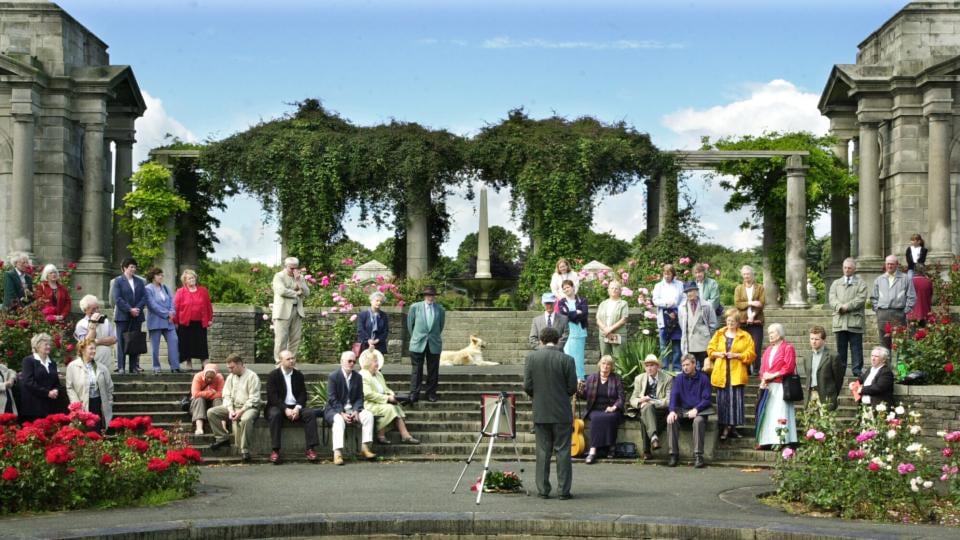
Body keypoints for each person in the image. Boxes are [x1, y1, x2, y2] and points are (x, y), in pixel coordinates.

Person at [523, 327, 577, 500]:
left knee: (543, 452)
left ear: (541, 339)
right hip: (562, 411)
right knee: (563, 451)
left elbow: (527, 386)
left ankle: (543, 489)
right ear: (558, 339)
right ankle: (563, 491)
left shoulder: (531, 358)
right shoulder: (567, 359)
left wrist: (537, 397)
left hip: (541, 410)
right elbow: (572, 388)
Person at [706, 308, 756, 442]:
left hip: (736, 373)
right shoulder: (719, 333)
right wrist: (718, 354)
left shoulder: (745, 336)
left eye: (733, 321)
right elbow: (710, 350)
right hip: (721, 372)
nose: (730, 323)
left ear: (738, 322)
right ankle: (724, 427)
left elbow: (751, 354)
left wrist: (737, 355)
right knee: (723, 401)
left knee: (736, 401)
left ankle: (733, 427)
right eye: (728, 321)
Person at [266, 350, 320, 464]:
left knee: (310, 413)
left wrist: (297, 408)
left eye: (293, 358)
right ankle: (275, 450)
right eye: (288, 359)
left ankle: (311, 449)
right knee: (275, 414)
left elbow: (302, 394)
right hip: (279, 406)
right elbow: (273, 397)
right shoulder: (273, 375)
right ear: (281, 361)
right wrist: (285, 409)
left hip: (295, 407)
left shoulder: (298, 375)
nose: (292, 361)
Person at [324, 351, 376, 466]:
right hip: (335, 409)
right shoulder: (334, 376)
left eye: (354, 361)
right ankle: (337, 453)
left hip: (352, 409)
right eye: (349, 361)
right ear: (342, 362)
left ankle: (365, 447)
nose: (352, 363)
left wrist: (357, 410)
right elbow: (332, 399)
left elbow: (359, 397)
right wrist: (342, 413)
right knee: (338, 420)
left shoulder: (358, 377)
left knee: (368, 415)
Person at [359, 348, 420, 445]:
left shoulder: (378, 374)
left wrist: (392, 395)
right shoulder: (362, 375)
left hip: (380, 402)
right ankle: (383, 435)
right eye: (375, 361)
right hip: (369, 404)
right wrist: (387, 398)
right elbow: (367, 394)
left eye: (377, 361)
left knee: (396, 406)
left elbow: (385, 389)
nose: (378, 364)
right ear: (368, 363)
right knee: (390, 408)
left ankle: (404, 435)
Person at [208, 353, 261, 462]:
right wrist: (231, 410)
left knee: (246, 419)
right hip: (233, 407)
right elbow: (226, 395)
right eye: (228, 368)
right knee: (212, 412)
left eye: (232, 367)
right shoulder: (230, 377)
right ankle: (222, 438)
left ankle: (245, 450)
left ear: (240, 364)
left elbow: (254, 398)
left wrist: (241, 412)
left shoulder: (252, 376)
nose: (230, 370)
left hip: (249, 408)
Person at [666, 353, 713, 468]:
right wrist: (672, 411)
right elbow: (674, 396)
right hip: (683, 410)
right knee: (671, 420)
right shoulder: (678, 379)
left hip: (699, 411)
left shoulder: (704, 378)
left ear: (694, 364)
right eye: (683, 365)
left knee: (698, 421)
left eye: (687, 365)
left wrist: (696, 409)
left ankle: (698, 456)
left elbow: (707, 399)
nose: (685, 368)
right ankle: (673, 455)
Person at [755, 323, 798, 448]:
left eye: (772, 333)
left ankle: (782, 440)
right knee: (768, 413)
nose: (770, 335)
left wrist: (773, 375)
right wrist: (763, 378)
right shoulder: (768, 350)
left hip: (781, 385)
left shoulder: (788, 348)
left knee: (781, 413)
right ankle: (766, 440)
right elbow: (763, 368)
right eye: (769, 333)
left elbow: (788, 367)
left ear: (779, 333)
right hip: (769, 386)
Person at [578, 355, 624, 464]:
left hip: (612, 409)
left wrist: (614, 407)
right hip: (595, 409)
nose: (605, 366)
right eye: (603, 363)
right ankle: (593, 451)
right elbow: (585, 395)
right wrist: (579, 390)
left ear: (611, 367)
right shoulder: (591, 378)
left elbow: (621, 397)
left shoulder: (616, 379)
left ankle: (610, 447)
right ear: (599, 365)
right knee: (597, 418)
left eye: (608, 364)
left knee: (611, 417)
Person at [628, 354, 674, 459]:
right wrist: (640, 400)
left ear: (658, 366)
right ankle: (654, 438)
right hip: (644, 408)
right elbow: (632, 399)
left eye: (652, 365)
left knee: (645, 417)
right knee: (646, 410)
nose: (649, 368)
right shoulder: (639, 379)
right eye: (647, 365)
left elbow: (669, 400)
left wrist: (653, 402)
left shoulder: (668, 379)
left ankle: (646, 451)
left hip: (660, 411)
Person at [828, 257, 868, 377]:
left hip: (854, 321)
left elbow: (861, 298)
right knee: (841, 348)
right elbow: (831, 298)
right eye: (845, 267)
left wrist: (848, 306)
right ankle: (841, 370)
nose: (847, 270)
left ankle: (857, 370)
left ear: (854, 269)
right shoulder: (836, 283)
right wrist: (839, 306)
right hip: (840, 321)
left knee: (856, 348)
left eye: (849, 268)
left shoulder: (861, 283)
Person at [65, 337, 113, 432]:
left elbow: (109, 387)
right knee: (83, 431)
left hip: (98, 404)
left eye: (95, 348)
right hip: (82, 404)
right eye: (91, 348)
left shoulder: (102, 367)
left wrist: (109, 402)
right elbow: (70, 387)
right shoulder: (73, 366)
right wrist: (76, 405)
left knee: (97, 431)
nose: (94, 351)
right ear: (82, 350)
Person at [407, 285, 445, 403]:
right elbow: (410, 325)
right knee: (416, 370)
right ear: (424, 296)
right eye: (428, 294)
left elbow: (440, 326)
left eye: (432, 295)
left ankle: (431, 394)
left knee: (433, 370)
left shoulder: (440, 309)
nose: (430, 297)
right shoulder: (415, 307)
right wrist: (416, 336)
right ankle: (414, 393)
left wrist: (432, 336)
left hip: (434, 343)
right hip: (418, 343)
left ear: (435, 296)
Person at [870, 254, 916, 350]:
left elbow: (911, 296)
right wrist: (877, 310)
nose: (889, 266)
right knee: (884, 345)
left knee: (900, 343)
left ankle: (900, 365)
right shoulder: (879, 280)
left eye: (892, 264)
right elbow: (873, 298)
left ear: (897, 264)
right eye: (888, 264)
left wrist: (905, 310)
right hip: (883, 314)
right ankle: (886, 365)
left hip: (898, 313)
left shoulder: (905, 278)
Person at [110, 257, 146, 374]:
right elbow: (117, 299)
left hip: (136, 316)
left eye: (135, 267)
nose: (133, 269)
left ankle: (133, 367)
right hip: (122, 316)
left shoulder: (140, 281)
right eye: (131, 267)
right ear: (125, 268)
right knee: (121, 342)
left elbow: (144, 297)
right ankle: (121, 367)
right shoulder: (118, 281)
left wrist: (137, 309)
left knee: (134, 341)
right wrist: (129, 309)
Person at [271, 257, 310, 363]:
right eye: (291, 268)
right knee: (281, 340)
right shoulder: (279, 276)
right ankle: (279, 363)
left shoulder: (300, 277)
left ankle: (291, 362)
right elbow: (281, 291)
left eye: (295, 268)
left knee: (295, 339)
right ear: (286, 266)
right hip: (282, 312)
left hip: (297, 311)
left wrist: (299, 281)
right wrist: (296, 293)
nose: (294, 271)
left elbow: (307, 293)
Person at [174, 268, 213, 372]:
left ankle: (204, 362)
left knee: (202, 343)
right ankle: (188, 362)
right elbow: (176, 307)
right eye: (189, 278)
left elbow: (208, 306)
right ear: (185, 281)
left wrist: (210, 319)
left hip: (200, 322)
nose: (192, 280)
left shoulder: (203, 291)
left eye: (193, 278)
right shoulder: (180, 292)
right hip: (185, 323)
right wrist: (175, 321)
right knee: (186, 344)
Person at [144, 268, 181, 374]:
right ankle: (156, 367)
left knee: (174, 341)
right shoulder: (148, 289)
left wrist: (172, 312)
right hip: (155, 321)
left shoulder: (165, 288)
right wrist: (166, 314)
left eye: (162, 275)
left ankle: (175, 366)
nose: (161, 277)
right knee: (155, 346)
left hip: (169, 322)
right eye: (159, 275)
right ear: (153, 276)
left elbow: (172, 301)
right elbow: (152, 305)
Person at [19, 333, 61, 422]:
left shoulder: (52, 363)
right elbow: (28, 382)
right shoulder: (28, 361)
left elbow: (56, 382)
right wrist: (47, 393)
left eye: (49, 344)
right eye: (46, 344)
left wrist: (56, 390)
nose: (49, 346)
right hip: (33, 407)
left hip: (50, 406)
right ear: (37, 346)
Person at [678, 282, 718, 370]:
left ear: (696, 291)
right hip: (690, 343)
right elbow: (682, 325)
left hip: (704, 343)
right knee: (692, 369)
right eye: (687, 292)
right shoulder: (682, 307)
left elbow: (713, 324)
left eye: (691, 291)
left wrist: (706, 335)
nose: (689, 293)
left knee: (706, 368)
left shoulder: (707, 305)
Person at [734, 265, 765, 375]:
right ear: (742, 275)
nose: (746, 276)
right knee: (744, 347)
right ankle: (746, 369)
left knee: (756, 346)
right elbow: (738, 304)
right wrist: (751, 303)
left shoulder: (760, 287)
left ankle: (756, 369)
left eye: (748, 274)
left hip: (756, 322)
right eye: (744, 274)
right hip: (742, 322)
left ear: (753, 275)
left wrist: (753, 315)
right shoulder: (738, 288)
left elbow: (761, 303)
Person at [653, 265, 684, 370]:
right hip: (664, 316)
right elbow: (655, 300)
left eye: (668, 274)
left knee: (677, 345)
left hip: (677, 316)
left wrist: (677, 310)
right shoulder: (658, 286)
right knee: (664, 346)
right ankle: (665, 369)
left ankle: (677, 369)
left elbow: (684, 299)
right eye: (665, 274)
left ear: (673, 274)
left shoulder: (680, 285)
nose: (666, 276)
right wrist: (666, 304)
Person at [804, 326, 843, 411]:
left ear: (824, 340)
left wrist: (832, 393)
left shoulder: (833, 356)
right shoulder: (807, 357)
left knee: (826, 423)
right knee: (811, 423)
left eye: (817, 339)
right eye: (812, 339)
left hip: (826, 396)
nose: (813, 342)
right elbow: (808, 376)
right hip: (811, 394)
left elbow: (838, 379)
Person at [558, 279, 589, 382]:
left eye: (568, 287)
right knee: (568, 356)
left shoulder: (582, 300)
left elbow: (584, 314)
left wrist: (571, 314)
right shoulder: (562, 302)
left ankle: (580, 378)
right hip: (568, 333)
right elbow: (563, 316)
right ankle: (569, 378)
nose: (566, 289)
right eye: (564, 288)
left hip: (580, 332)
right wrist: (576, 312)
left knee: (579, 357)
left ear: (573, 287)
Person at [74, 295, 117, 367]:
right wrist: (93, 324)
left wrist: (97, 341)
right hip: (89, 363)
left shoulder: (105, 321)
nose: (97, 311)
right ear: (85, 310)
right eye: (93, 309)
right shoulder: (81, 324)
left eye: (97, 308)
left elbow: (113, 339)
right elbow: (86, 343)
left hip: (105, 362)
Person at [596, 281, 629, 360]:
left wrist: (610, 329)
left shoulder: (623, 303)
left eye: (616, 288)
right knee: (605, 358)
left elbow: (624, 319)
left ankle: (618, 373)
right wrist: (605, 329)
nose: (614, 290)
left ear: (620, 291)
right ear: (608, 290)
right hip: (604, 334)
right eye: (612, 288)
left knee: (619, 358)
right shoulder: (603, 303)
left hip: (618, 334)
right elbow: (597, 319)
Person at [190, 363, 224, 436]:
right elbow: (195, 394)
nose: (209, 379)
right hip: (199, 403)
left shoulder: (219, 377)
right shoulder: (198, 376)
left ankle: (223, 427)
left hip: (214, 401)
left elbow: (221, 394)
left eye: (212, 378)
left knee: (218, 400)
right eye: (208, 377)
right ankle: (199, 428)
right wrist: (211, 392)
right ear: (204, 374)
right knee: (199, 399)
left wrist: (204, 394)